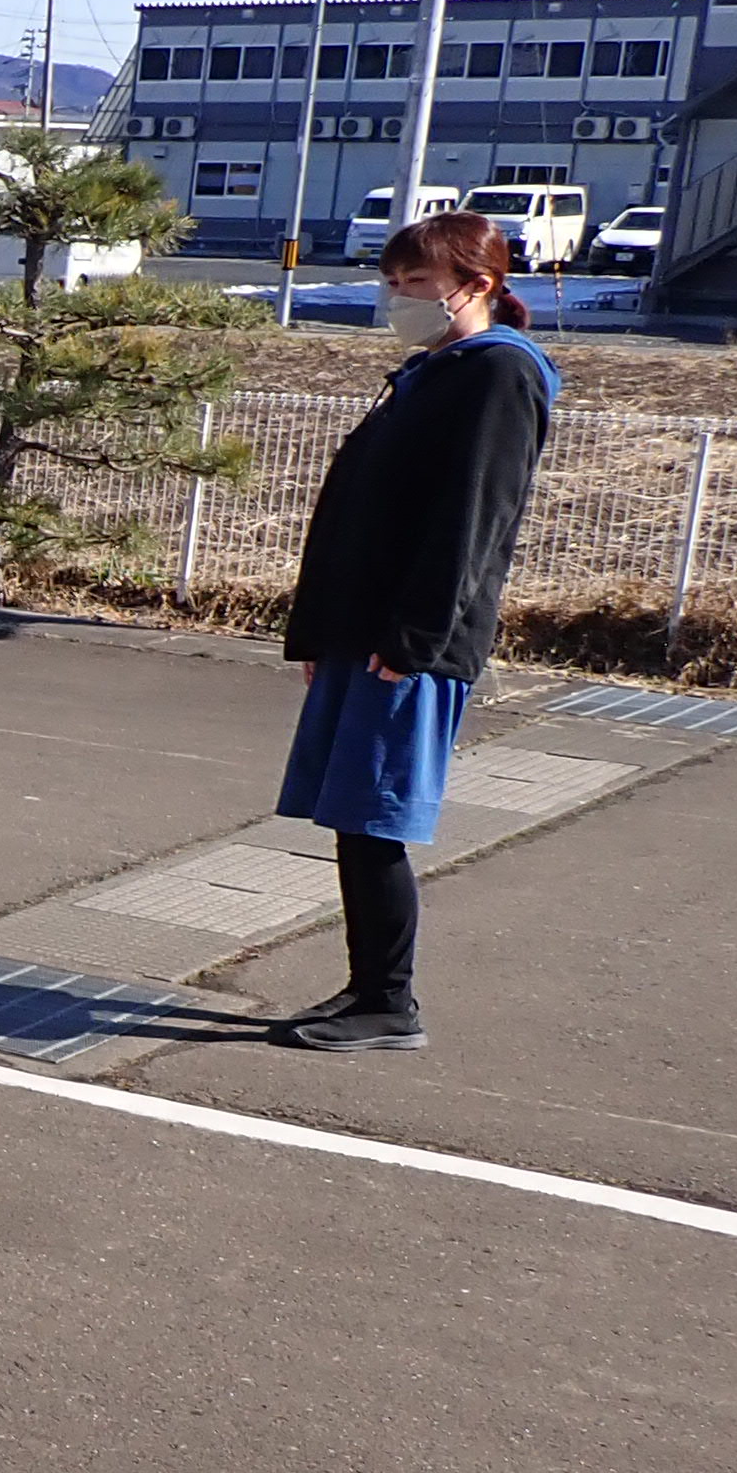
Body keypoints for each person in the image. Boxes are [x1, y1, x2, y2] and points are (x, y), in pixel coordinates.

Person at [269, 207, 560, 1054]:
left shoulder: (497, 374)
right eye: (393, 283)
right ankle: (366, 988)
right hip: (361, 634)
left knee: (375, 815)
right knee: (351, 814)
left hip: (404, 644)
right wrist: (321, 633)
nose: (399, 297)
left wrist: (413, 639)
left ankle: (389, 1001)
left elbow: (474, 519)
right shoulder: (431, 369)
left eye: (418, 283)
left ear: (479, 286)